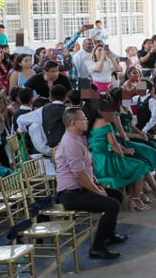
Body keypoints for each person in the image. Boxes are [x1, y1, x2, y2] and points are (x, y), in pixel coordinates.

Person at [55, 107, 126, 260]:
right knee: (111, 205)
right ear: (73, 122)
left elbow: (87, 169)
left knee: (117, 195)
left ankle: (109, 235)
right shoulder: (70, 143)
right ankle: (97, 247)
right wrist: (96, 190)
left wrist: (97, 184)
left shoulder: (79, 138)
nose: (87, 121)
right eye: (83, 119)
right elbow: (80, 175)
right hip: (71, 194)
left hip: (82, 188)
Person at [88, 97, 149, 211]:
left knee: (134, 165)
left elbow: (111, 143)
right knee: (141, 166)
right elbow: (114, 144)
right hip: (107, 164)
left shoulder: (93, 123)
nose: (113, 113)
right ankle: (135, 199)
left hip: (97, 161)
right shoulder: (106, 124)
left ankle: (136, 197)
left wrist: (125, 151)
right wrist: (122, 156)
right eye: (110, 111)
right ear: (101, 111)